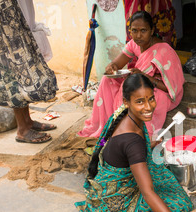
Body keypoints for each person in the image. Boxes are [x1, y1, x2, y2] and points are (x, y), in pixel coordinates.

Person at [75, 73, 196, 212]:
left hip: (102, 188)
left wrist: (149, 145)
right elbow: (147, 193)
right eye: (140, 102)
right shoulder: (133, 142)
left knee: (162, 177)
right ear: (127, 102)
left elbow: (108, 145)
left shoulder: (121, 115)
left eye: (151, 99)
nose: (148, 107)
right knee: (180, 203)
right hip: (113, 205)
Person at [78, 10, 184, 143]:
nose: (138, 35)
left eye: (143, 31)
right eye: (134, 31)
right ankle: (108, 125)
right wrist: (112, 66)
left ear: (151, 31)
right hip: (141, 81)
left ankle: (138, 135)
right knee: (107, 80)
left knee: (140, 95)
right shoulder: (135, 44)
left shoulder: (164, 51)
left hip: (162, 90)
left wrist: (146, 77)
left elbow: (170, 89)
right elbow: (118, 62)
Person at [0, 0, 58, 143]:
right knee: (14, 63)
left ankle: (27, 121)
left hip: (14, 7)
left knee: (22, 63)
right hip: (1, 11)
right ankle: (22, 129)